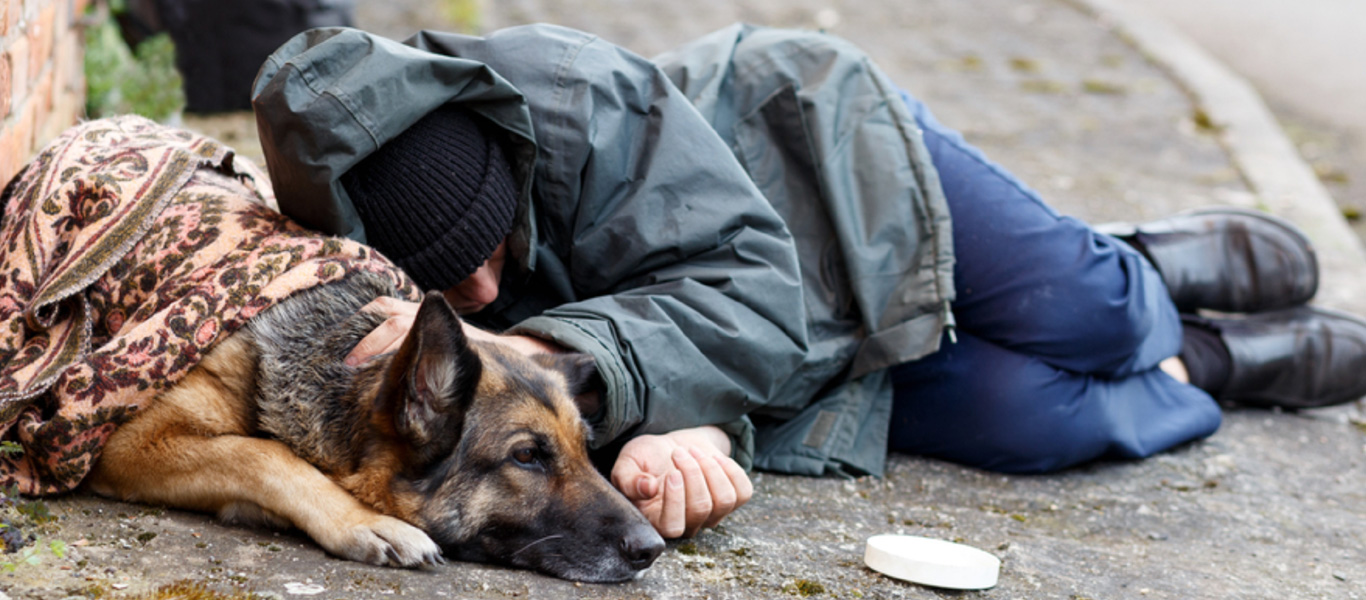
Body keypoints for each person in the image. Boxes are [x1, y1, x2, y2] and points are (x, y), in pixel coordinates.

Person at [250, 24, 1366, 539]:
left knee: (1090, 315)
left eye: (494, 248)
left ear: (502, 159)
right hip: (756, 353)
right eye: (453, 280)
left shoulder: (575, 96)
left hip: (825, 179)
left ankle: (1138, 266)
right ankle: (1210, 360)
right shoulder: (370, 250)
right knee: (1040, 420)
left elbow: (747, 283)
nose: (485, 295)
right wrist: (665, 429)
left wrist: (566, 362)